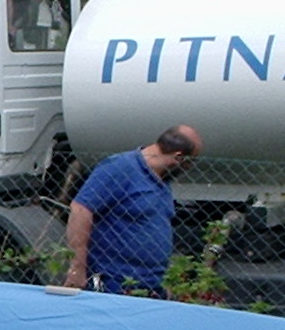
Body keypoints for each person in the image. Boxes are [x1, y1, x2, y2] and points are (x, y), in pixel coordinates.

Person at [62, 124, 203, 296]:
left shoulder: (162, 181)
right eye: (190, 163)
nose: (189, 169)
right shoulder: (120, 167)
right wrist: (78, 266)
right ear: (178, 157)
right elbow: (81, 209)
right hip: (114, 283)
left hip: (151, 285)